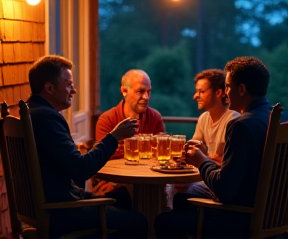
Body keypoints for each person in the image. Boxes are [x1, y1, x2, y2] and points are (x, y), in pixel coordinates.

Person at [27, 55, 148, 238]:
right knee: (139, 222)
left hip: (46, 205)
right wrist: (114, 136)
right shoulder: (47, 118)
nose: (73, 90)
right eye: (68, 84)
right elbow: (81, 170)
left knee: (121, 201)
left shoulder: (31, 113)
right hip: (60, 212)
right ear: (49, 88)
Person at [154, 56, 272, 239]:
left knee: (162, 221)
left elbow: (224, 189)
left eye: (228, 86)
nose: (225, 93)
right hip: (271, 216)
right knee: (181, 200)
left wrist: (201, 160)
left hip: (240, 218)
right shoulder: (275, 119)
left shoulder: (242, 125)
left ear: (241, 89)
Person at [90, 69, 165, 208]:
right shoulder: (107, 119)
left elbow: (162, 153)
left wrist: (123, 147)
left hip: (149, 181)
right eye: (140, 91)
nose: (146, 97)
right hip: (116, 182)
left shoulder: (155, 117)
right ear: (124, 91)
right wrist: (146, 148)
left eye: (149, 91)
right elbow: (104, 157)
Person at [172, 69, 240, 209]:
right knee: (174, 186)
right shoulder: (204, 118)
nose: (195, 96)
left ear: (219, 93)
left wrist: (204, 157)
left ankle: (190, 226)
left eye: (201, 91)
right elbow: (195, 152)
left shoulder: (233, 120)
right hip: (209, 175)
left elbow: (227, 167)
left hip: (220, 183)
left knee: (187, 191)